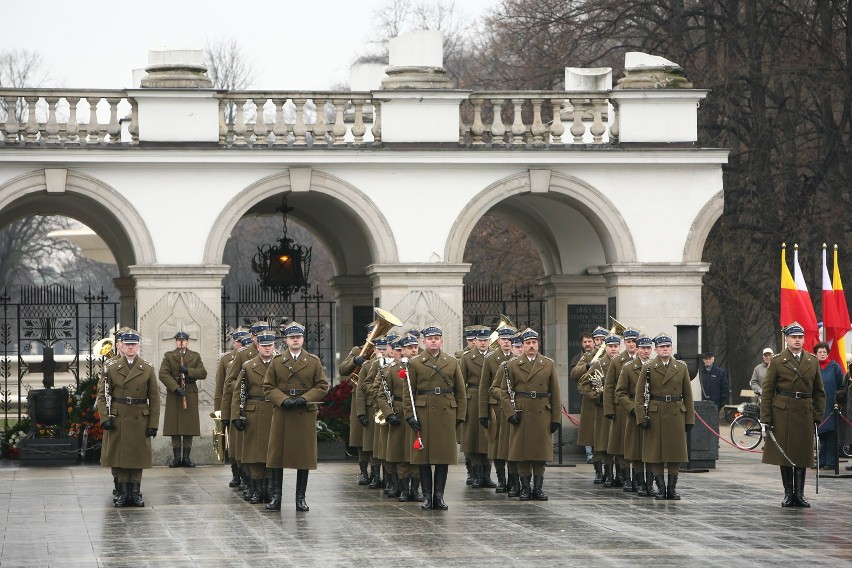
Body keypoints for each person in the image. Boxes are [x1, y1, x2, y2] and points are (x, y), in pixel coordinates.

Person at [263, 322, 329, 512]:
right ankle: (277, 498)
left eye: (298, 337)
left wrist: (304, 399)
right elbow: (268, 387)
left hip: (303, 412)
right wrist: (283, 400)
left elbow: (322, 386)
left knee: (303, 457)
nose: (295, 340)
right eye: (291, 337)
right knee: (277, 456)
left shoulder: (313, 361)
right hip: (283, 411)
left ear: (302, 339)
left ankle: (300, 498)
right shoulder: (277, 361)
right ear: (286, 340)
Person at [760, 322, 826, 507]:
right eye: (794, 337)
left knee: (802, 454)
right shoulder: (778, 360)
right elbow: (768, 391)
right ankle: (788, 493)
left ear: (804, 339)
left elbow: (819, 392)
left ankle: (800, 493)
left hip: (804, 412)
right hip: (783, 412)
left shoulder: (812, 361)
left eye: (800, 337)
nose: (797, 340)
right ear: (787, 339)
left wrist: (817, 415)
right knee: (785, 454)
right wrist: (766, 417)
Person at [402, 325, 466, 510]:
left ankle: (439, 496)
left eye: (437, 338)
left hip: (446, 413)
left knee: (442, 457)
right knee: (423, 459)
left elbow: (460, 392)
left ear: (441, 341)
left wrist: (460, 415)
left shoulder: (452, 362)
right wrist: (409, 415)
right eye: (430, 338)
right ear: (424, 342)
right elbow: (409, 393)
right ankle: (427, 496)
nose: (433, 341)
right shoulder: (415, 363)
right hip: (423, 413)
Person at [97, 330, 160, 507]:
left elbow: (154, 398)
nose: (131, 348)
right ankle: (123, 493)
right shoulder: (111, 367)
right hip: (119, 415)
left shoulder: (147, 368)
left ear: (138, 346)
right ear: (121, 346)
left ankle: (135, 492)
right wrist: (105, 418)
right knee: (121, 457)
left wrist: (153, 423)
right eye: (128, 345)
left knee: (137, 457)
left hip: (140, 416)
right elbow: (102, 395)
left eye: (134, 344)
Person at [499, 327, 561, 500]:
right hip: (522, 411)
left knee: (540, 454)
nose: (532, 346)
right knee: (522, 454)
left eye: (534, 342)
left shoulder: (548, 364)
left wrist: (556, 418)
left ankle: (538, 488)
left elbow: (555, 392)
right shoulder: (512, 365)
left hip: (542, 412)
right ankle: (525, 488)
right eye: (528, 343)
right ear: (522, 346)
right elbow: (504, 392)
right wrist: (510, 413)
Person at [635, 333, 695, 500]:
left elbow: (688, 396)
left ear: (672, 348)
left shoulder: (681, 367)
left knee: (675, 453)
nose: (665, 349)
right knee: (656, 454)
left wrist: (690, 419)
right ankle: (661, 488)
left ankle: (672, 488)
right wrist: (641, 417)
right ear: (656, 349)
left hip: (676, 413)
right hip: (656, 413)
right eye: (662, 347)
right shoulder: (648, 367)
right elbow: (639, 395)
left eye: (667, 346)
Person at [231, 331, 278, 506]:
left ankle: (271, 490)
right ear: (257, 346)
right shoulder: (248, 366)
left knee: (271, 454)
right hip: (254, 411)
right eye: (263, 346)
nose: (267, 349)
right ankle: (258, 490)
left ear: (274, 346)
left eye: (270, 346)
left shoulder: (280, 364)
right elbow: (239, 392)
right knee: (254, 455)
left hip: (274, 410)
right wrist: (237, 415)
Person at [158, 331, 208, 468]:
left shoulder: (195, 356)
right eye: (179, 340)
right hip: (175, 394)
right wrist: (175, 387)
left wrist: (188, 371)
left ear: (187, 341)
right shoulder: (169, 356)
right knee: (174, 427)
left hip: (189, 393)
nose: (181, 342)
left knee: (188, 426)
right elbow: (163, 374)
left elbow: (203, 373)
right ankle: (176, 458)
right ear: (175, 341)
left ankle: (186, 458)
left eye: (184, 340)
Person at [614, 335, 655, 496]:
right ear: (637, 349)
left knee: (651, 451)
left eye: (648, 348)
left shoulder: (655, 366)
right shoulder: (628, 368)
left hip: (652, 413)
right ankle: (640, 483)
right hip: (634, 414)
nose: (646, 351)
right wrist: (632, 408)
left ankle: (650, 484)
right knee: (637, 450)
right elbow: (620, 392)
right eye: (643, 348)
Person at [478, 324, 517, 493]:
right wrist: (483, 413)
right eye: (503, 339)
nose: (507, 343)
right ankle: (502, 480)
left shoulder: (517, 358)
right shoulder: (491, 359)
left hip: (516, 408)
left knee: (513, 445)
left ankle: (514, 481)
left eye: (509, 340)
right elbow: (484, 387)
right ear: (498, 341)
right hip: (497, 408)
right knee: (498, 447)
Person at [571, 326, 608, 476]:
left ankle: (611, 473)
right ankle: (598, 472)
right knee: (594, 438)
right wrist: (587, 365)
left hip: (608, 403)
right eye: (596, 339)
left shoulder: (612, 357)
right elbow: (574, 374)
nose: (599, 342)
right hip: (592, 403)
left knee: (609, 438)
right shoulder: (587, 357)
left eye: (602, 339)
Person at [460, 326, 493, 488]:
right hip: (472, 398)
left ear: (489, 341)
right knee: (473, 438)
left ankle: (487, 475)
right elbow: (461, 382)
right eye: (480, 340)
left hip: (489, 398)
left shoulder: (494, 358)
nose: (482, 343)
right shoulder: (467, 358)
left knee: (488, 438)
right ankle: (475, 474)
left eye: (485, 340)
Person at [813, 342, 844, 469]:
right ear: (816, 354)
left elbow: (841, 386)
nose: (822, 354)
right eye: (819, 352)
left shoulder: (835, 367)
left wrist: (839, 399)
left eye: (824, 352)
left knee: (830, 434)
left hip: (832, 406)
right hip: (818, 406)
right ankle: (821, 461)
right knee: (821, 434)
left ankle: (830, 462)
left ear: (827, 353)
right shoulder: (813, 367)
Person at [570, 332, 595, 464]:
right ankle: (589, 454)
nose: (587, 344)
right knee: (586, 426)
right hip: (585, 397)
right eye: (585, 342)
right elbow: (573, 374)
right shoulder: (577, 358)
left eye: (589, 341)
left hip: (600, 397)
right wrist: (586, 366)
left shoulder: (600, 355)